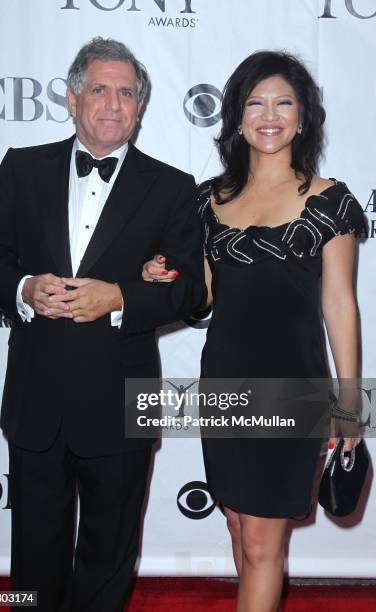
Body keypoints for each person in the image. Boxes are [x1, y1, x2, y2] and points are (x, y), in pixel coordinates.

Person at [0, 37, 205, 611]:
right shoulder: (22, 168)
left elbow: (191, 293)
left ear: (141, 108)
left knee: (108, 555)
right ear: (73, 99)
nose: (112, 104)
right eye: (99, 89)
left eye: (127, 93)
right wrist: (24, 289)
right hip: (36, 400)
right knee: (31, 556)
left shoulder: (173, 187)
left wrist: (119, 296)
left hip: (121, 402)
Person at [142, 51, 365, 612]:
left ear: (303, 116)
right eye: (255, 102)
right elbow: (207, 296)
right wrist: (161, 275)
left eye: (283, 102)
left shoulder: (329, 199)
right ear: (236, 117)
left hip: (291, 386)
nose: (270, 115)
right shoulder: (210, 200)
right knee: (240, 526)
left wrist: (348, 400)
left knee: (264, 544)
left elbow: (339, 303)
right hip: (224, 383)